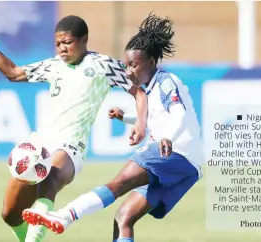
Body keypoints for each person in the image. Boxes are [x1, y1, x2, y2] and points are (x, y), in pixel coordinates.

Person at [0, 15, 148, 242]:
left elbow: (138, 91)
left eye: (67, 42)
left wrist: (140, 122)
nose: (62, 48)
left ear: (84, 40)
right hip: (39, 144)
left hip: (71, 146)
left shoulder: (103, 65)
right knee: (10, 214)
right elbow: (13, 73)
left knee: (50, 179)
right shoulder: (53, 66)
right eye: (58, 43)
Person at [21, 13, 203, 242]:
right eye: (126, 65)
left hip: (176, 152)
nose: (128, 72)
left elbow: (178, 113)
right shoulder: (150, 89)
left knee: (117, 184)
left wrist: (167, 136)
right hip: (188, 165)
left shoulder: (166, 81)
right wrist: (127, 118)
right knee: (124, 216)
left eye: (133, 65)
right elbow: (157, 119)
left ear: (151, 62)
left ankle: (65, 216)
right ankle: (65, 216)